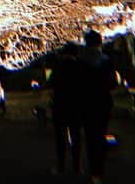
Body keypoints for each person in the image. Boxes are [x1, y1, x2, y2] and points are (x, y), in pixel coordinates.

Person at [79, 30, 116, 184]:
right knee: (101, 134)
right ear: (99, 42)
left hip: (87, 103)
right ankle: (98, 170)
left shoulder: (80, 62)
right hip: (103, 102)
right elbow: (113, 83)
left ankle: (93, 168)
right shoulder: (106, 61)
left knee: (89, 136)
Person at [48, 42, 83, 175]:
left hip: (60, 105)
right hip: (76, 106)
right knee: (76, 136)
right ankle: (77, 166)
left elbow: (51, 83)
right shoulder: (80, 66)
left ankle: (61, 166)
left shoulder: (59, 66)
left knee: (60, 138)